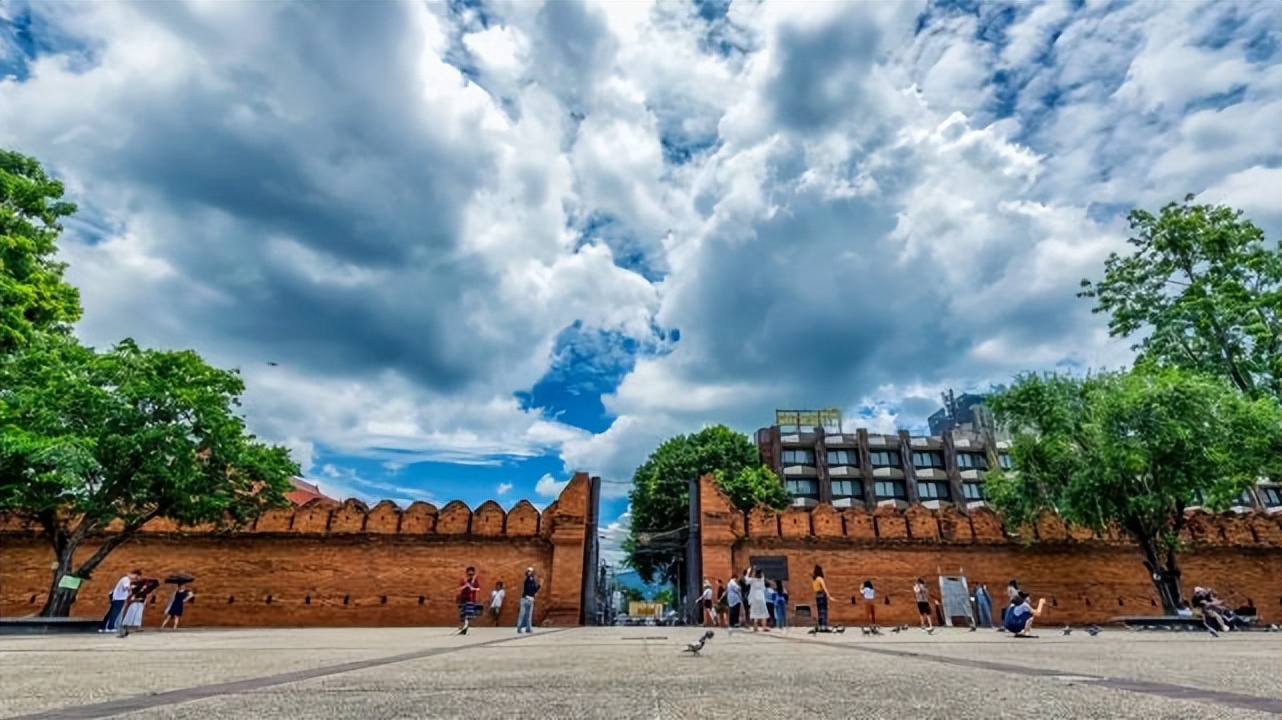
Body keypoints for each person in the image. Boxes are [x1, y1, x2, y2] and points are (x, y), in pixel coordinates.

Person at [456, 566, 480, 634]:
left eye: (472, 574)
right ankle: (464, 625)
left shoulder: (475, 581)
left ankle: (465, 627)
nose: (470, 576)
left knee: (468, 614)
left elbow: (478, 588)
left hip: (470, 599)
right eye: (469, 574)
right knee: (463, 614)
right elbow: (459, 588)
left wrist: (472, 588)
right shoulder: (464, 580)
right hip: (463, 598)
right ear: (466, 573)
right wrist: (465, 586)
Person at [516, 567, 539, 634]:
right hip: (525, 599)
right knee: (522, 614)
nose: (530, 573)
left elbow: (535, 590)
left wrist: (539, 585)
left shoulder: (534, 581)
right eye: (529, 572)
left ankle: (528, 628)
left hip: (531, 599)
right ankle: (519, 628)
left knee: (529, 615)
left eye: (531, 572)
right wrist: (529, 573)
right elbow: (527, 577)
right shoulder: (527, 580)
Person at [748, 568, 769, 632]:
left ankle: (755, 627)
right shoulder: (762, 580)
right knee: (764, 612)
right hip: (761, 597)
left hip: (754, 597)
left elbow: (747, 579)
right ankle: (764, 626)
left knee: (755, 612)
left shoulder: (752, 580)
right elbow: (762, 575)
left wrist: (750, 571)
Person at [812, 565, 831, 632]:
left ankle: (820, 626)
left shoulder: (814, 579)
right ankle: (824, 626)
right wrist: (829, 596)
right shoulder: (820, 578)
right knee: (824, 611)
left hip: (817, 596)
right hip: (822, 595)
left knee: (819, 611)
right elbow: (824, 588)